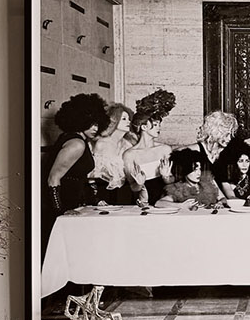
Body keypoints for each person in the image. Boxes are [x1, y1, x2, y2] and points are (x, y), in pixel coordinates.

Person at [42, 92, 110, 234]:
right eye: (91, 124)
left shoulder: (79, 140)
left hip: (73, 203)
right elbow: (52, 178)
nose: (95, 128)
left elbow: (80, 177)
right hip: (63, 205)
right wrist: (60, 212)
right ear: (79, 120)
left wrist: (95, 200)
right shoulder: (76, 144)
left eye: (97, 124)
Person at [123, 88, 178, 202]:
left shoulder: (165, 149)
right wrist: (139, 184)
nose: (159, 127)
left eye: (159, 124)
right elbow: (133, 188)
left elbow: (172, 182)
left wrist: (166, 177)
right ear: (143, 127)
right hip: (142, 203)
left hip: (165, 201)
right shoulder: (129, 155)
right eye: (155, 124)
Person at [86, 103, 138, 204]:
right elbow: (92, 177)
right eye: (124, 119)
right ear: (114, 121)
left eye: (128, 119)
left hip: (124, 194)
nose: (128, 122)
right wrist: (97, 199)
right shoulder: (101, 143)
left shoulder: (128, 144)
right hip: (103, 194)